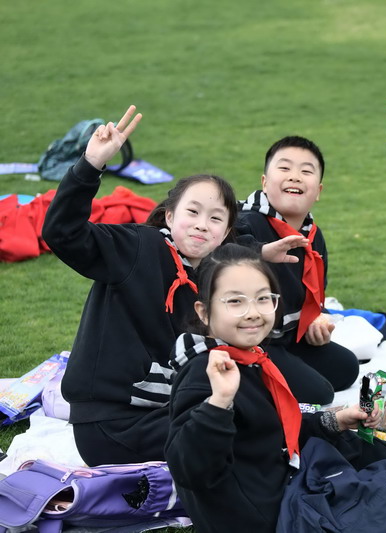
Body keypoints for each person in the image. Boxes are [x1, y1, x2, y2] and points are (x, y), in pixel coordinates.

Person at [41, 106, 305, 466]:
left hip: (168, 407)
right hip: (113, 425)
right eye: (192, 212)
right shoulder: (138, 247)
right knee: (240, 434)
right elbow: (63, 234)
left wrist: (260, 253)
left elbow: (232, 252)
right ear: (169, 215)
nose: (201, 225)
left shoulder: (211, 271)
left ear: (226, 231)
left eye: (215, 218)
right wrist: (91, 164)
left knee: (256, 415)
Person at [165, 244, 386, 532]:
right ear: (204, 312)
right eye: (235, 301)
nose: (253, 313)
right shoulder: (207, 373)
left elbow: (271, 429)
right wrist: (219, 404)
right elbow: (188, 469)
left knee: (352, 445)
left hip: (280, 486)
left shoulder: (249, 358)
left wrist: (335, 420)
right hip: (265, 514)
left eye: (263, 299)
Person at [236, 136, 359, 405]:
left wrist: (315, 320)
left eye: (306, 171)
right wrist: (262, 251)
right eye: (284, 168)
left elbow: (312, 295)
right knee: (319, 394)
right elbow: (225, 253)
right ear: (264, 182)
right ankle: (244, 378)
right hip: (250, 340)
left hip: (286, 339)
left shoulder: (312, 235)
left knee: (347, 368)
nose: (295, 176)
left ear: (319, 191)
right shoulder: (245, 222)